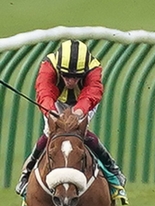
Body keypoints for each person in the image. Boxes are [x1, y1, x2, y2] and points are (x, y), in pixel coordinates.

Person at [15, 39, 126, 196]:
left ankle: (112, 169)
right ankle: (26, 173)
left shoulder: (93, 68)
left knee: (80, 132)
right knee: (50, 132)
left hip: (84, 102)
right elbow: (44, 91)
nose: (71, 81)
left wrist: (79, 112)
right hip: (56, 102)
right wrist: (51, 112)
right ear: (59, 69)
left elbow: (92, 93)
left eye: (76, 77)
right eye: (66, 76)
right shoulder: (49, 65)